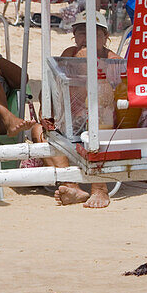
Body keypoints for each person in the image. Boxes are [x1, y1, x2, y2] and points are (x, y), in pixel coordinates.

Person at [53, 12, 120, 208]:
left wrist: (86, 63)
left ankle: (100, 188)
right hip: (73, 119)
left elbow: (108, 99)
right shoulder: (69, 53)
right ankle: (72, 186)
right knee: (41, 132)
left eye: (94, 33)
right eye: (81, 33)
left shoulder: (113, 59)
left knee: (94, 126)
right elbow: (58, 89)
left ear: (106, 37)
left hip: (103, 121)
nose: (86, 38)